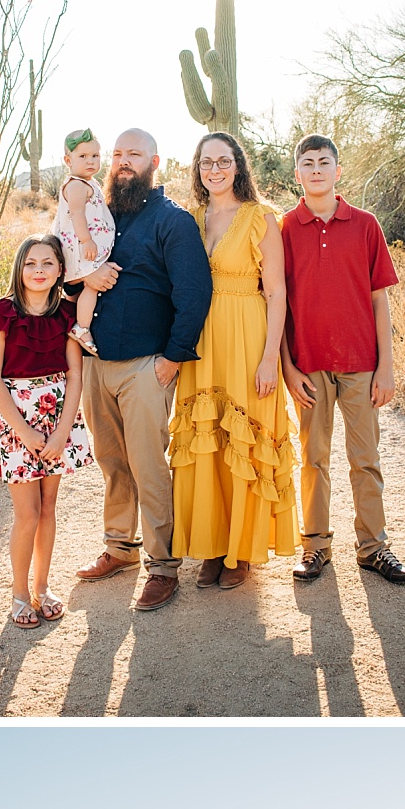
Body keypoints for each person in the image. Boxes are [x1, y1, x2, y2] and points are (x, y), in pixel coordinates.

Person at [73, 128, 213, 612]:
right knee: (111, 460)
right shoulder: (99, 216)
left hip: (146, 366)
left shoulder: (172, 222)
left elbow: (194, 294)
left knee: (150, 464)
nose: (122, 162)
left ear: (156, 160)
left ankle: (163, 566)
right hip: (96, 362)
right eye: (116, 154)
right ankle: (119, 548)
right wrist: (82, 279)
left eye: (133, 153)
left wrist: (172, 359)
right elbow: (68, 268)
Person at [280, 136, 405, 586]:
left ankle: (374, 547)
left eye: (324, 162)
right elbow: (276, 304)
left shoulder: (364, 224)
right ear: (297, 173)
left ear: (338, 171)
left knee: (365, 458)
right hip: (309, 366)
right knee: (313, 459)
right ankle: (315, 546)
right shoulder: (284, 229)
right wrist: (288, 367)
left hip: (361, 363)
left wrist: (387, 366)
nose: (316, 169)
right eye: (308, 163)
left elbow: (380, 301)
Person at [171, 132, 299, 589]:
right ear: (197, 169)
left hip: (247, 334)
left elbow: (278, 292)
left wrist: (270, 360)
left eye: (223, 161)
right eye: (206, 162)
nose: (215, 170)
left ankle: (242, 550)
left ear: (239, 166)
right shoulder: (191, 218)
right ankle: (213, 545)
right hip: (201, 340)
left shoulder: (261, 218)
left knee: (243, 436)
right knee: (208, 439)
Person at [0, 236, 93, 629]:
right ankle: (19, 593)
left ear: (61, 270)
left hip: (57, 417)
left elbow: (75, 374)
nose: (40, 270)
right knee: (26, 513)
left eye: (48, 263)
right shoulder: (1, 315)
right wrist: (26, 432)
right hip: (16, 421)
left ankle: (43, 588)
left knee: (48, 509)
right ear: (19, 268)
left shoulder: (67, 314)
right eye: (31, 263)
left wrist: (63, 430)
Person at [51, 128, 115, 356]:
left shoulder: (90, 183)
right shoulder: (76, 185)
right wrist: (87, 240)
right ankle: (82, 328)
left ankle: (71, 322)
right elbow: (76, 214)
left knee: (79, 291)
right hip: (80, 248)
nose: (91, 161)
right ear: (68, 161)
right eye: (83, 157)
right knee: (91, 285)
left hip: (85, 249)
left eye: (95, 156)